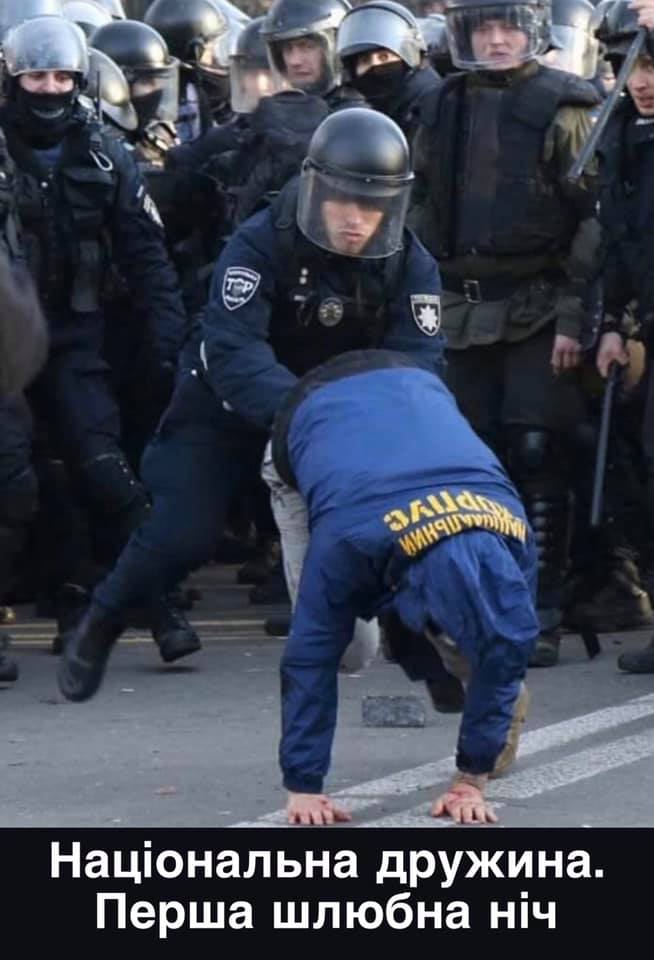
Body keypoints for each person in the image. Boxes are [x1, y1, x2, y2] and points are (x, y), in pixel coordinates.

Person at [57, 107, 447, 703]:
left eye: (372, 207)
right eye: (344, 202)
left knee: (390, 528)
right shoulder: (262, 241)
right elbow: (236, 351)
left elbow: (417, 362)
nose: (355, 220)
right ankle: (104, 617)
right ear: (317, 190)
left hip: (338, 420)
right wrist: (311, 411)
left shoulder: (410, 263)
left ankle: (423, 651)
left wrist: (362, 422)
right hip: (229, 408)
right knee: (182, 534)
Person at [268, 349, 538, 826]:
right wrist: (303, 786)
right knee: (349, 651)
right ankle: (408, 630)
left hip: (416, 390)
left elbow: (507, 645)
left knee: (489, 647)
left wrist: (471, 779)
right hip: (308, 419)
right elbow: (309, 654)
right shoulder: (345, 543)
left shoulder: (513, 531)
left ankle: (434, 653)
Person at [411, 0, 600, 667]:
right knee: (469, 460)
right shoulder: (441, 104)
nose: (495, 40)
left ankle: (540, 609)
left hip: (540, 305)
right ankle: (477, 604)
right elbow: (420, 202)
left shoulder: (565, 108)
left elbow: (594, 217)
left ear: (532, 30)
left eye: (508, 27)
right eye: (482, 28)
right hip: (458, 307)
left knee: (536, 450)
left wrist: (574, 316)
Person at [0, 15, 194, 658]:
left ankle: (159, 605)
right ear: (13, 78)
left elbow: (147, 257)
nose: (49, 89)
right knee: (13, 480)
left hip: (76, 336)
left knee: (104, 471)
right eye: (36, 76)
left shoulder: (106, 154)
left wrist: (165, 345)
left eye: (62, 76)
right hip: (5, 344)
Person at [592, 0, 654, 673]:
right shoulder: (626, 138)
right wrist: (611, 323)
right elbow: (618, 243)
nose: (641, 81)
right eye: (629, 65)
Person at [336, 0, 440, 140]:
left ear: (409, 56)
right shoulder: (367, 112)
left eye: (384, 57)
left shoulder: (433, 109)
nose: (375, 66)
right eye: (365, 61)